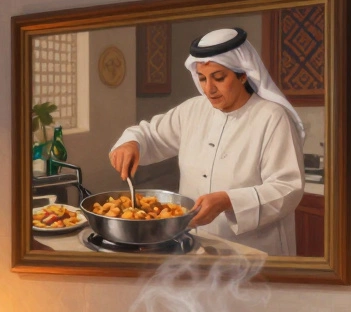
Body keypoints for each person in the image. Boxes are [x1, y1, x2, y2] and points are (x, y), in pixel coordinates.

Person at [108, 27, 305, 255]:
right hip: (194, 246)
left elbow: (288, 188)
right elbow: (149, 135)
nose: (209, 89)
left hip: (253, 250)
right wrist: (132, 143)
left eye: (219, 78)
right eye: (202, 78)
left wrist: (228, 201)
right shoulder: (193, 110)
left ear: (242, 75)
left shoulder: (272, 117)